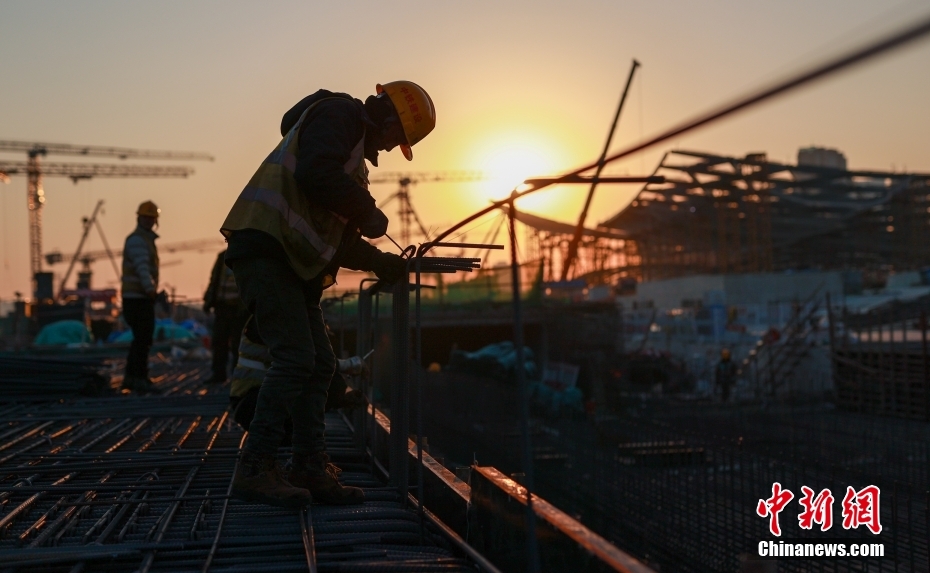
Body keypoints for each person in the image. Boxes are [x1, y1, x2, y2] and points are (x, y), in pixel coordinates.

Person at [220, 81, 435, 508]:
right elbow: (316, 173)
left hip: (288, 261)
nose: (393, 148)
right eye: (399, 139)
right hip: (267, 248)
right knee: (297, 358)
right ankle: (254, 467)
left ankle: (309, 466)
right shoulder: (340, 116)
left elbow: (338, 236)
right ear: (390, 120)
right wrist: (366, 209)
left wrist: (381, 262)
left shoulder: (350, 159)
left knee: (320, 363)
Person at [121, 200, 161, 394]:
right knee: (142, 339)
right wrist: (150, 290)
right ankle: (137, 378)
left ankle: (133, 377)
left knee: (141, 339)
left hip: (138, 297)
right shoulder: (138, 240)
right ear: (139, 218)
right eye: (146, 217)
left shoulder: (144, 239)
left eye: (151, 218)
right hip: (138, 298)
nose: (149, 221)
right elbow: (142, 267)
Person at [203, 249, 249, 385]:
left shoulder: (245, 254)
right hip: (222, 307)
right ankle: (218, 374)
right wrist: (208, 301)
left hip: (239, 310)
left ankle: (237, 376)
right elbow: (214, 280)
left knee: (237, 344)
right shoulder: (222, 257)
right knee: (219, 342)